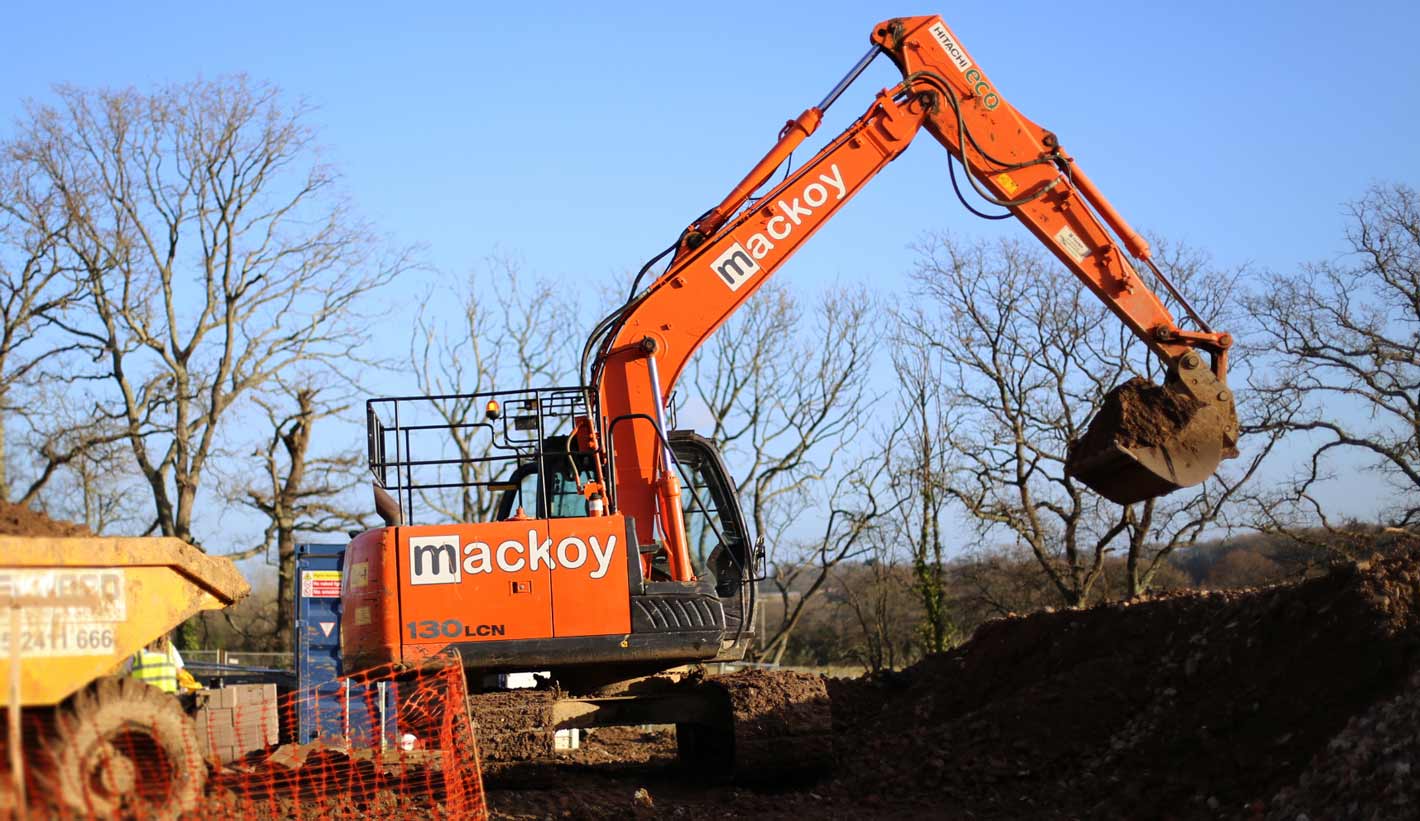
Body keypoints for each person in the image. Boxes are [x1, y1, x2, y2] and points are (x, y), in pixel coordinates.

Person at [130, 633, 200, 693]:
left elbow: (125, 672)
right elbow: (179, 672)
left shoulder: (136, 649)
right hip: (166, 697)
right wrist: (191, 684)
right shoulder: (169, 647)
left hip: (143, 696)